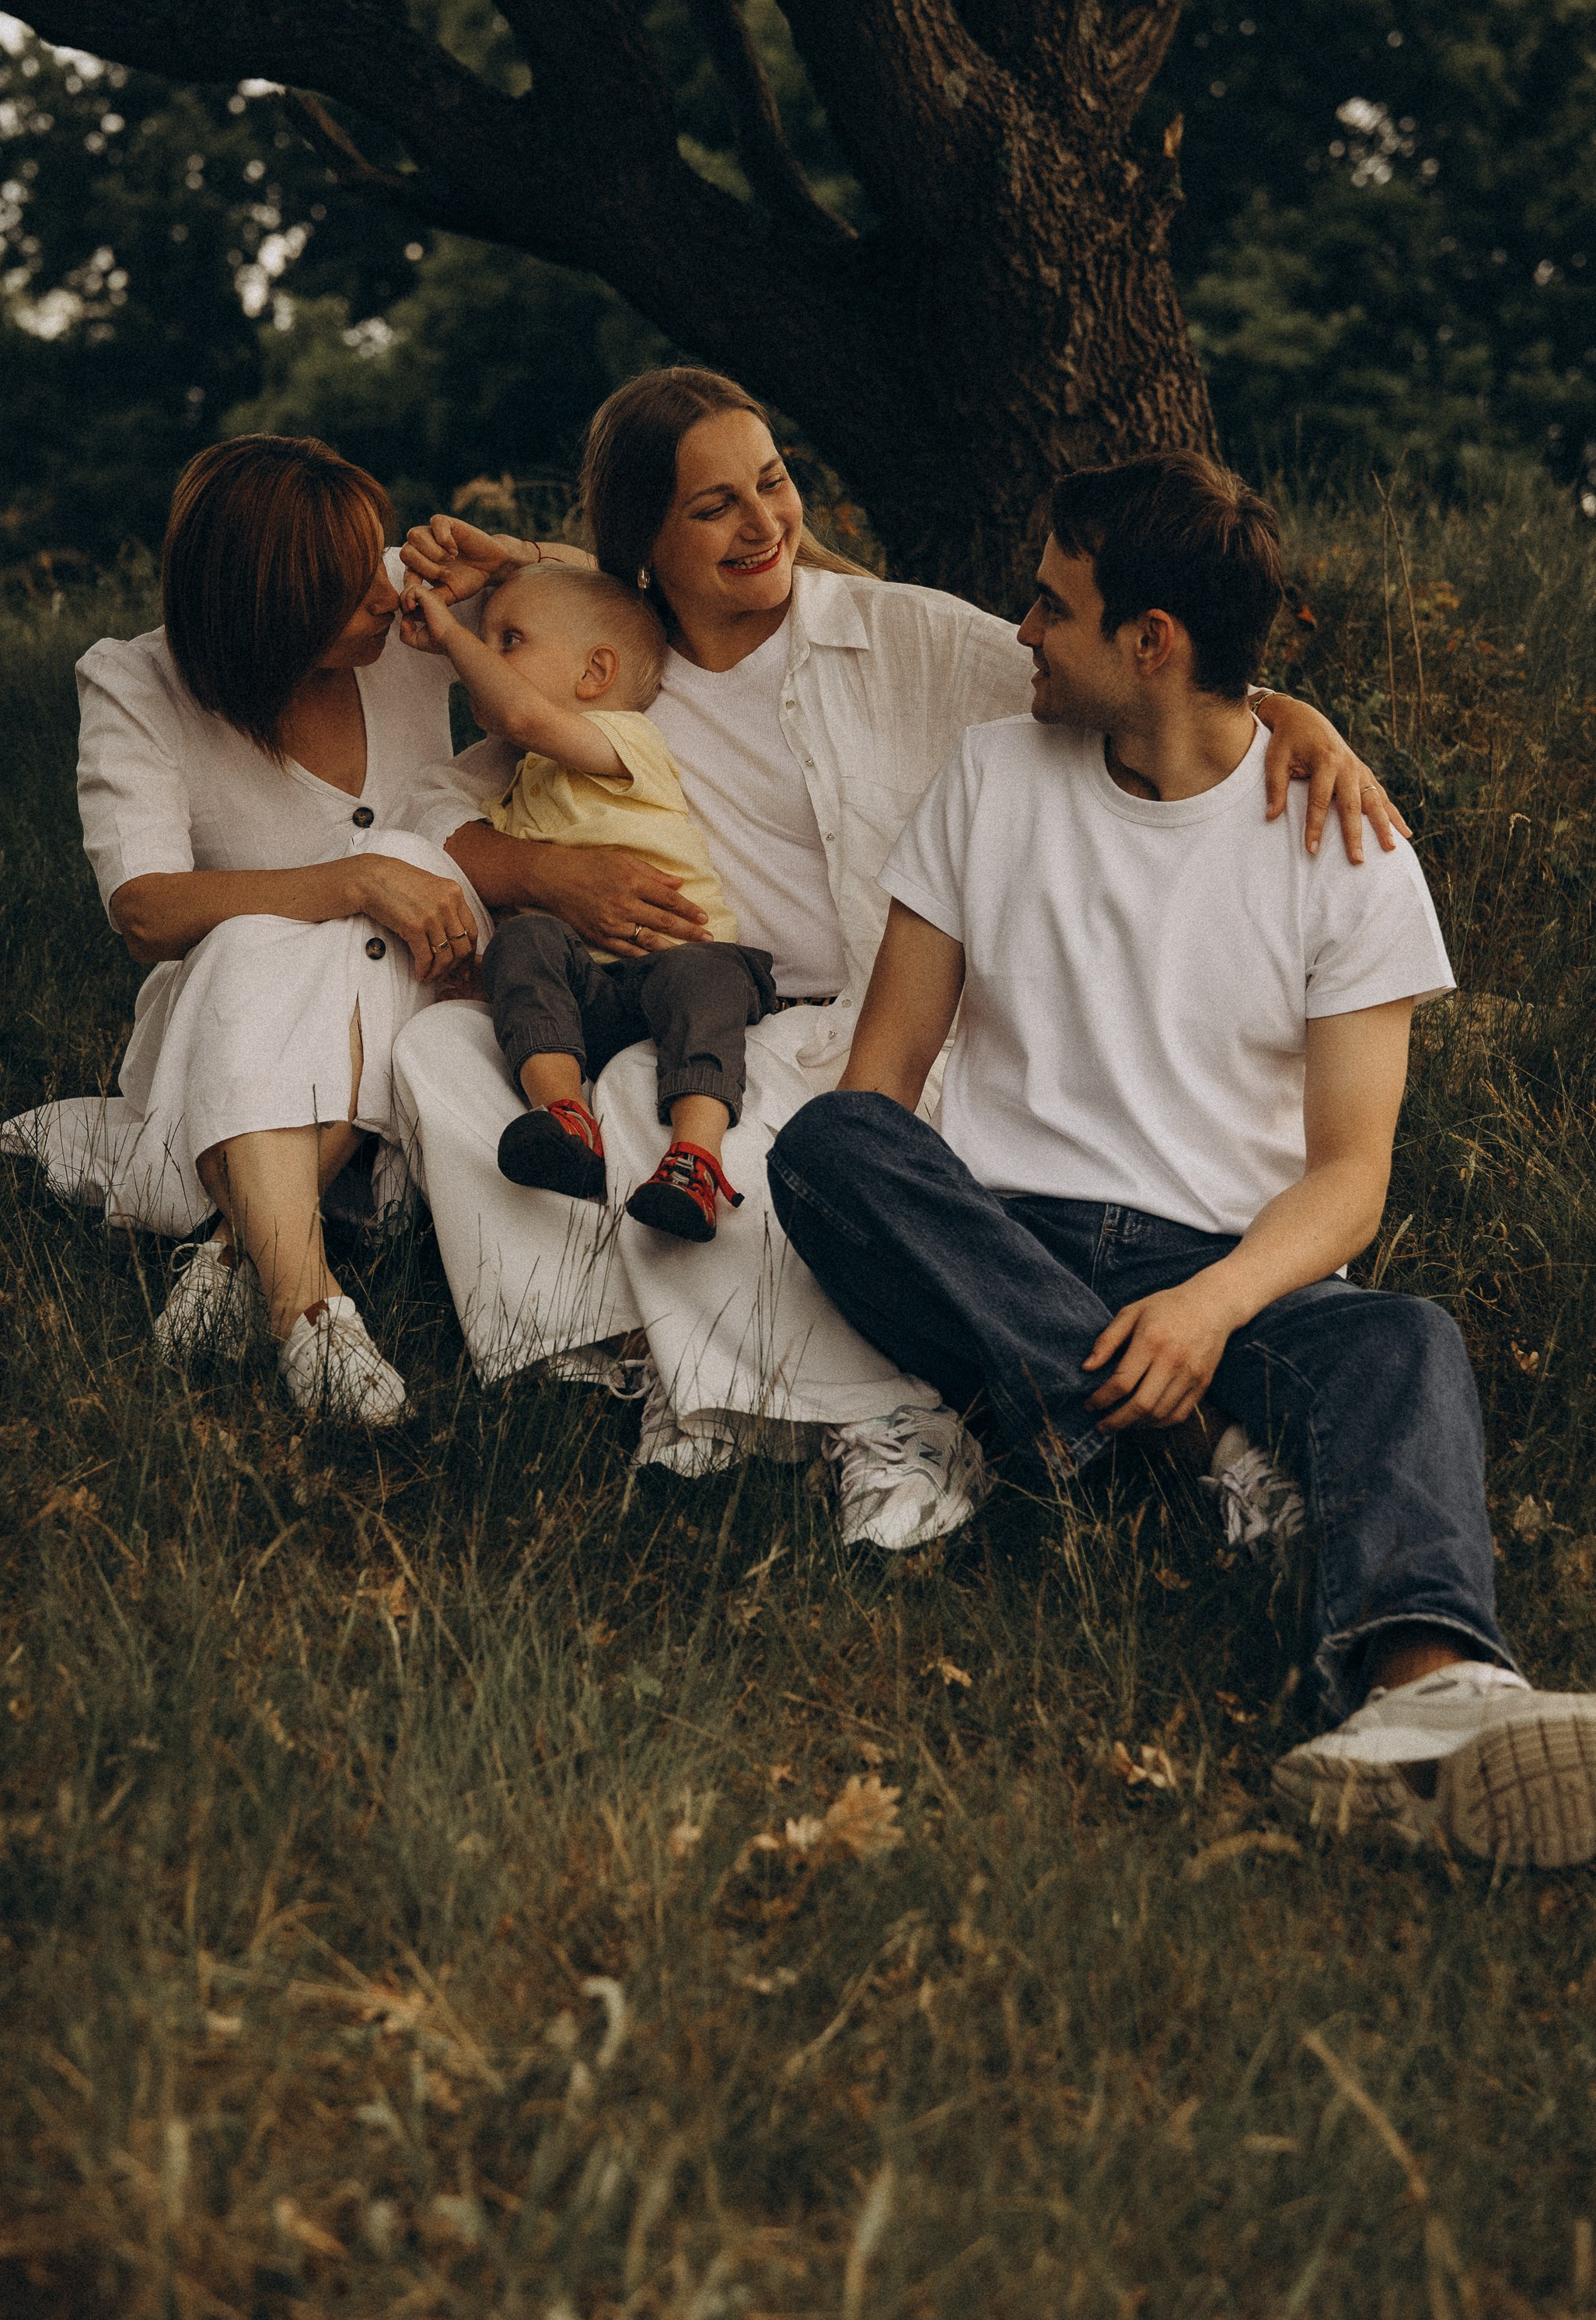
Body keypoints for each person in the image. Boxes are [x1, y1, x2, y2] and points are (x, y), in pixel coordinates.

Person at [392, 368, 1405, 1553]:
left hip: (897, 1022)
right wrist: (541, 875)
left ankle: (891, 1416)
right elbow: (431, 805)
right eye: (713, 506)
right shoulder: (611, 664)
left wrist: (1297, 717)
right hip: (713, 1010)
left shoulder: (897, 632)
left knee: (769, 1161)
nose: (765, 522)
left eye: (773, 484)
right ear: (642, 547)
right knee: (462, 1061)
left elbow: (1145, 679)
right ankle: (644, 1356)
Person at [766, 450, 1596, 1868]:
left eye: (1050, 605)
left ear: (1149, 643)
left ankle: (1423, 1695)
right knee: (834, 1147)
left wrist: (1209, 1311)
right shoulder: (992, 772)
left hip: (1234, 1268)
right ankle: (1198, 1452)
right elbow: (885, 1085)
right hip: (1009, 1232)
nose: (1020, 629)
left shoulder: (1347, 850)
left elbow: (1349, 1178)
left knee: (1403, 1341)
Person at [0, 434, 483, 1429]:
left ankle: (241, 1256)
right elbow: (147, 910)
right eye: (346, 587)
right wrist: (351, 880)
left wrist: (515, 562)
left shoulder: (405, 607)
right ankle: (311, 1311)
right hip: (229, 1020)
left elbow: (625, 601)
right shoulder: (136, 683)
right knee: (264, 933)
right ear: (265, 614)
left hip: (425, 988)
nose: (380, 594)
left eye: (373, 558)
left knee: (418, 881)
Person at [398, 559, 776, 1239]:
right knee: (524, 943)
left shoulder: (624, 736)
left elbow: (519, 711)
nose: (489, 654)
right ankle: (565, 1117)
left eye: (509, 639)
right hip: (588, 996)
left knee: (709, 974)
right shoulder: (518, 786)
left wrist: (454, 638)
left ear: (594, 675)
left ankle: (695, 1156)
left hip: (677, 963)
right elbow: (511, 908)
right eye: (487, 639)